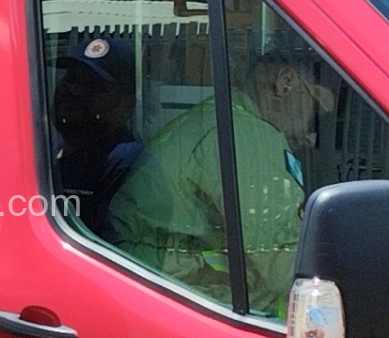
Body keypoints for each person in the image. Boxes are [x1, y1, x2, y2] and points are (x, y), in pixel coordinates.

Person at [108, 49, 333, 315]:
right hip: (171, 296)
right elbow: (282, 261)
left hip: (152, 281)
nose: (311, 136)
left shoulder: (221, 119)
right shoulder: (247, 136)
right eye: (314, 113)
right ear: (285, 83)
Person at [51, 35, 141, 235]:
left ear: (126, 103)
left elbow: (108, 243)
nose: (74, 90)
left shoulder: (125, 160)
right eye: (71, 78)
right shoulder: (46, 147)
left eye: (93, 85)